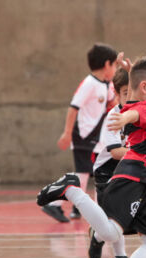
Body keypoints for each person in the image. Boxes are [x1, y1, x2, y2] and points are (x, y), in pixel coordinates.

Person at [37, 56, 146, 258]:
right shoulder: (145, 108)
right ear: (145, 88)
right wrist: (124, 119)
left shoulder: (133, 103)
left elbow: (134, 103)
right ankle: (71, 190)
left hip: (143, 184)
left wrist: (132, 75)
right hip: (132, 179)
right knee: (112, 233)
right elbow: (137, 113)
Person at [42, 43, 118, 223]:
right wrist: (67, 133)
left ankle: (76, 208)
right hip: (83, 136)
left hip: (95, 139)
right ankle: (54, 204)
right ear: (107, 64)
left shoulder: (105, 85)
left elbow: (113, 103)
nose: (115, 69)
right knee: (83, 175)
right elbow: (73, 107)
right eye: (115, 65)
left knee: (89, 174)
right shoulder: (89, 83)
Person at [90, 67, 129, 258]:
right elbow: (115, 152)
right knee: (109, 218)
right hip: (107, 169)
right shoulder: (113, 117)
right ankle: (98, 237)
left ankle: (120, 256)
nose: (130, 97)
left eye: (134, 93)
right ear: (117, 94)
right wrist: (145, 154)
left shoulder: (142, 114)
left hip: (130, 166)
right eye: (125, 93)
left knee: (120, 214)